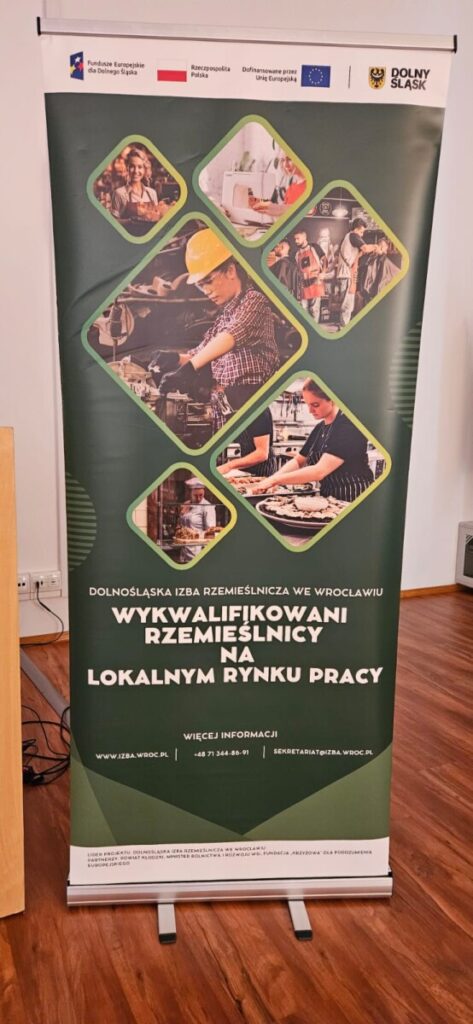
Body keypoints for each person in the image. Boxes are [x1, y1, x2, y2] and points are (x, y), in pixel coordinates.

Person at [156, 228, 280, 431]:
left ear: (230, 271)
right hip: (224, 415)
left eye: (209, 281)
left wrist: (188, 369)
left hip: (249, 417)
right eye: (200, 286)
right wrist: (173, 359)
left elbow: (230, 336)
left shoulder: (255, 302)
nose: (206, 291)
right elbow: (200, 353)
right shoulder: (223, 317)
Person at [252, 379, 373, 503]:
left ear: (332, 399)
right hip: (329, 497)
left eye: (315, 405)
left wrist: (275, 481)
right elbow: (299, 460)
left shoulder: (349, 426)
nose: (310, 410)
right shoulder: (320, 428)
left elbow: (319, 471)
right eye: (308, 404)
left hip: (354, 497)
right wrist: (273, 478)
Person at [337, 218, 379, 326]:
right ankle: (343, 328)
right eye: (361, 231)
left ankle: (343, 326)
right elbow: (365, 248)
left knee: (348, 306)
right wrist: (376, 246)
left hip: (346, 274)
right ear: (356, 229)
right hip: (347, 274)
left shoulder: (347, 238)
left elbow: (357, 255)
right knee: (347, 306)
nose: (362, 235)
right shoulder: (353, 235)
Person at [217, 406, 277, 478]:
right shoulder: (236, 411)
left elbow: (262, 454)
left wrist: (228, 466)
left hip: (263, 470)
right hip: (246, 468)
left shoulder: (260, 410)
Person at [111, 149, 164, 221]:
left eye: (140, 167)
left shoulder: (152, 193)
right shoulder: (119, 193)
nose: (136, 171)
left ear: (145, 169)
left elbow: (156, 218)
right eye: (132, 166)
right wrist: (130, 222)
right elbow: (113, 222)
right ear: (127, 168)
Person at [176, 479, 216, 563]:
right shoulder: (187, 504)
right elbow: (181, 525)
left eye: (201, 495)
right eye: (195, 495)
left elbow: (211, 532)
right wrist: (182, 513)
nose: (198, 498)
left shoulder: (207, 506)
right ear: (190, 493)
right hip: (184, 550)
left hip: (197, 552)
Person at [293, 230, 326, 322]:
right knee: (303, 309)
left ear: (304, 237)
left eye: (298, 238)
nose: (296, 241)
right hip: (304, 284)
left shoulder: (314, 247)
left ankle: (314, 328)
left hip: (316, 282)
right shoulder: (296, 254)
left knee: (314, 309)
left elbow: (325, 259)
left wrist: (323, 272)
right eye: (295, 239)